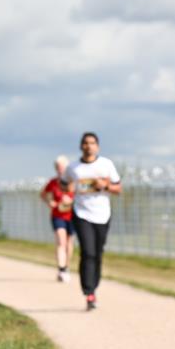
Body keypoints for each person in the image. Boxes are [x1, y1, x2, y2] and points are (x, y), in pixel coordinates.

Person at [64, 132, 121, 310]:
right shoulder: (73, 167)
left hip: (102, 214)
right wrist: (68, 189)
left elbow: (118, 188)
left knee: (97, 253)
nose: (89, 146)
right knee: (87, 252)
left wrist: (105, 186)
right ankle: (88, 292)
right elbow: (63, 184)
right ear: (81, 146)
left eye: (92, 143)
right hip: (81, 214)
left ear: (97, 146)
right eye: (86, 143)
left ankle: (94, 286)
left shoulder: (106, 165)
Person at [40, 155, 76, 282]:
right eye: (58, 168)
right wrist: (50, 202)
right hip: (57, 215)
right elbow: (43, 194)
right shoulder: (53, 182)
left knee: (69, 242)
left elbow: (82, 197)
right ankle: (61, 269)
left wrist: (71, 200)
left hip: (72, 215)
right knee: (61, 241)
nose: (60, 170)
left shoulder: (73, 182)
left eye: (62, 167)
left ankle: (66, 266)